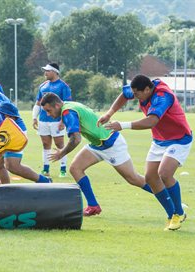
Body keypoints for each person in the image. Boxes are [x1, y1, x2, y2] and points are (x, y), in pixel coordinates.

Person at [98, 74, 192, 231]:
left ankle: (179, 213)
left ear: (148, 89)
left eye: (137, 94)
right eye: (133, 93)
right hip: (159, 140)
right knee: (150, 177)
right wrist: (109, 113)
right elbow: (124, 95)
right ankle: (171, 215)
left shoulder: (163, 96)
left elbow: (152, 121)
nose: (134, 97)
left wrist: (123, 125)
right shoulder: (141, 87)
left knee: (165, 173)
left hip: (179, 139)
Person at [41, 92, 153, 217]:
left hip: (111, 143)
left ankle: (166, 194)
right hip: (97, 144)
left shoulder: (67, 112)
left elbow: (76, 139)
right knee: (75, 168)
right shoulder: (67, 105)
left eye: (48, 110)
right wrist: (62, 121)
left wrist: (62, 153)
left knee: (134, 179)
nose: (48, 114)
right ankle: (93, 206)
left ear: (57, 105)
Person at [32, 63, 72, 178]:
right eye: (45, 71)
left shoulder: (63, 86)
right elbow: (38, 103)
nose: (45, 73)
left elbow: (67, 104)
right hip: (43, 120)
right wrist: (35, 117)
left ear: (55, 72)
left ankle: (63, 168)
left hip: (57, 120)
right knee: (45, 144)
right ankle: (46, 169)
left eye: (48, 71)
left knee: (60, 144)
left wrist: (63, 121)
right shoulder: (42, 86)